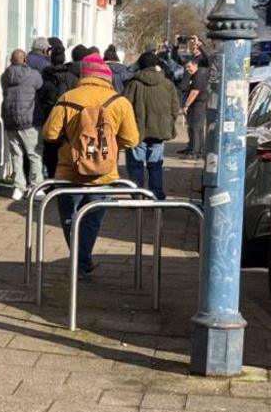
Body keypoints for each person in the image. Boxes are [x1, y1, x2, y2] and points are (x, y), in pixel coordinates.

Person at [43, 51, 140, 276]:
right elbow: (132, 139)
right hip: (104, 172)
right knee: (92, 219)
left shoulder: (68, 98)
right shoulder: (120, 101)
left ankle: (80, 260)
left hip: (69, 170)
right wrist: (110, 147)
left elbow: (50, 134)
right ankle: (82, 261)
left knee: (69, 217)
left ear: (83, 75)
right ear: (106, 76)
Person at [126, 52, 180, 202]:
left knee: (136, 166)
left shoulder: (134, 84)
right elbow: (175, 107)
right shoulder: (167, 84)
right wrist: (169, 122)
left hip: (137, 131)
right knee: (155, 165)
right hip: (160, 132)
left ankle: (137, 196)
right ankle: (156, 196)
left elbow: (125, 106)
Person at [0, 48, 44, 200]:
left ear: (11, 61)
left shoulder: (5, 76)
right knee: (34, 154)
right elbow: (40, 86)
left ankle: (18, 188)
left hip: (10, 119)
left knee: (16, 155)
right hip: (29, 119)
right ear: (25, 60)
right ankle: (36, 187)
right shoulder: (34, 75)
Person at [34, 38, 79, 182]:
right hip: (69, 121)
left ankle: (53, 180)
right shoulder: (72, 78)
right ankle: (65, 179)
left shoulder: (44, 77)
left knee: (50, 153)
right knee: (67, 151)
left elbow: (39, 98)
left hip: (49, 118)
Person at [183, 56, 213, 156]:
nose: (187, 69)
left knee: (195, 128)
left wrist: (186, 105)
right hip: (197, 105)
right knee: (196, 128)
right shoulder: (196, 74)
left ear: (195, 65)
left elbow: (195, 92)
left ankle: (195, 151)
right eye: (186, 68)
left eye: (189, 67)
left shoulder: (199, 76)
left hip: (198, 104)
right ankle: (196, 149)